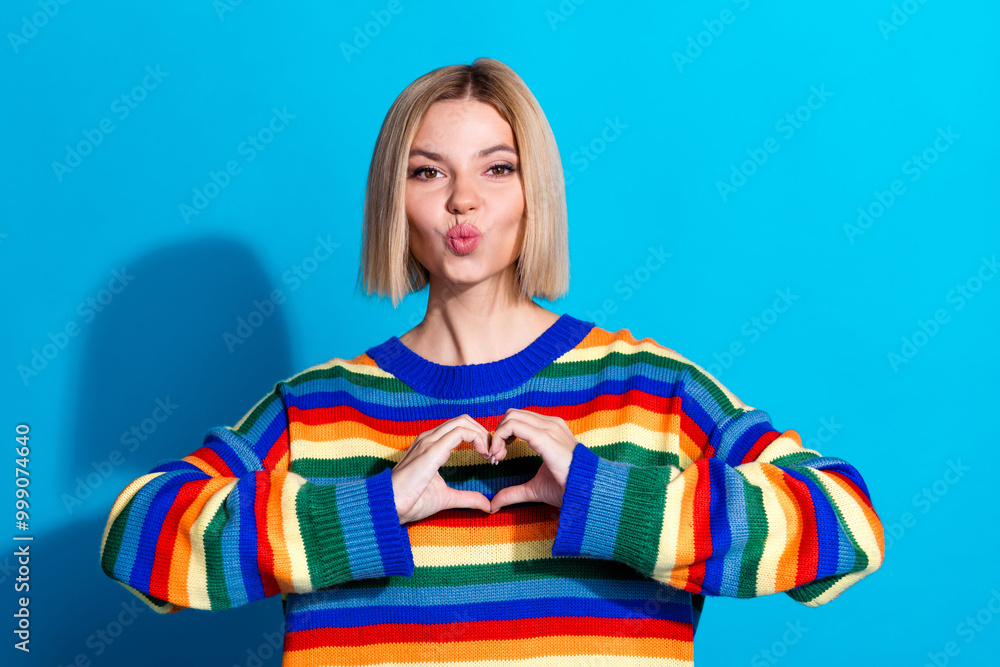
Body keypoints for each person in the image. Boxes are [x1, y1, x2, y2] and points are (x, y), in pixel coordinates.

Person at [100, 57, 885, 666]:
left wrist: (603, 495)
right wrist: (371, 508)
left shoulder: (652, 390)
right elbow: (136, 540)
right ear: (393, 200)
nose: (462, 200)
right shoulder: (314, 409)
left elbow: (846, 526)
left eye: (496, 168)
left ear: (532, 193)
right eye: (428, 170)